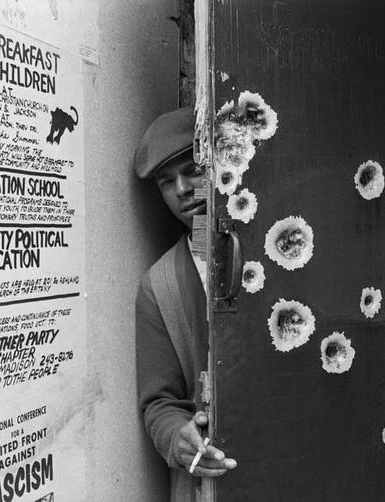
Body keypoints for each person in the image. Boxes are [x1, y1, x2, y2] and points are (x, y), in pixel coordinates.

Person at [134, 107, 237, 501]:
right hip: (214, 481)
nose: (180, 189)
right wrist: (177, 436)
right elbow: (159, 403)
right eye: (165, 182)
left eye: (192, 171)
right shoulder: (158, 287)